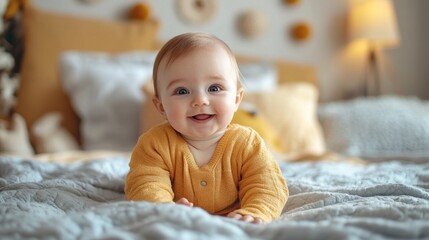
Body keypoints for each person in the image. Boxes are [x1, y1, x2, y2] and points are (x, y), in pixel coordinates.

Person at [125, 32, 288, 224]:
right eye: (182, 91)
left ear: (236, 100)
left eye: (214, 88)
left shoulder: (247, 143)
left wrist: (255, 211)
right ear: (161, 107)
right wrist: (163, 208)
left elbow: (267, 184)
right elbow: (145, 183)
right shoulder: (154, 144)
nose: (200, 100)